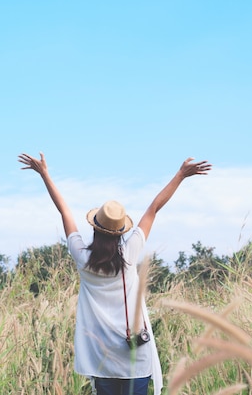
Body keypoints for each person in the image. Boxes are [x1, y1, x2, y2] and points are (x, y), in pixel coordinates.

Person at [18, 152, 212, 395]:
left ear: (95, 229)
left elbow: (65, 213)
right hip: (134, 357)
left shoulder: (83, 258)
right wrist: (181, 175)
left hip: (102, 358)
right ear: (121, 232)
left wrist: (45, 174)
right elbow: (153, 209)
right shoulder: (130, 254)